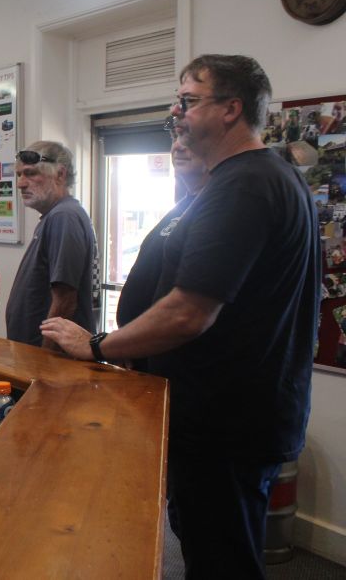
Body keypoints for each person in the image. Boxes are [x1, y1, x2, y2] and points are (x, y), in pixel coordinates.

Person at [41, 54, 320, 578]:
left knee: (222, 561)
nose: (177, 112)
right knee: (207, 547)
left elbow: (189, 311)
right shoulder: (253, 179)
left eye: (189, 101)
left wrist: (98, 346)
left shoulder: (244, 183)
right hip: (223, 416)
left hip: (228, 424)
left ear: (231, 109)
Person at [4, 141, 97, 348]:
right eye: (19, 175)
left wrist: (46, 357)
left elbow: (65, 298)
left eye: (30, 173)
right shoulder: (54, 216)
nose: (20, 183)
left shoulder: (63, 216)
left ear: (60, 174)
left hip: (48, 357)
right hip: (30, 353)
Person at [115, 133, 208, 331]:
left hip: (167, 343)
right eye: (175, 138)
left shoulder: (215, 209)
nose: (178, 146)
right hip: (139, 342)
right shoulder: (183, 206)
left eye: (187, 139)